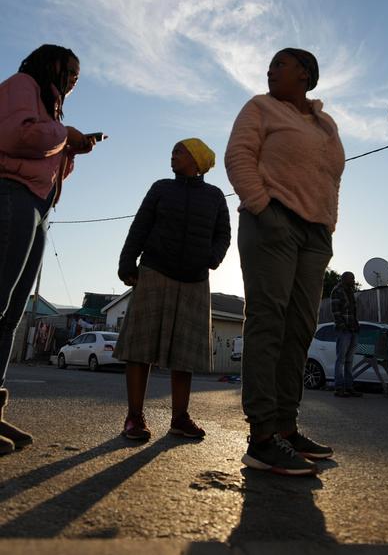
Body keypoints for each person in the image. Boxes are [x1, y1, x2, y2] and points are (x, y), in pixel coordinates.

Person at [225, 48, 345, 476]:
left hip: (314, 234)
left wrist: (328, 226)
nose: (270, 69)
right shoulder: (259, 107)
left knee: (299, 329)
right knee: (268, 320)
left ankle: (286, 428)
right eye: (270, 63)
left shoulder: (325, 124)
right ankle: (261, 437)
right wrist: (262, 207)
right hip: (271, 221)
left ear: (305, 75)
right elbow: (238, 157)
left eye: (280, 63)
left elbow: (331, 177)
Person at [0, 44, 97, 455]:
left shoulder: (50, 108)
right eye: (69, 70)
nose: (74, 78)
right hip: (10, 195)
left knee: (9, 316)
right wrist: (65, 135)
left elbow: (45, 159)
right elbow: (16, 135)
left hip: (37, 207)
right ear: (48, 64)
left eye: (78, 74)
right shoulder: (22, 84)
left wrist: (71, 146)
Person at [114, 138, 230, 441]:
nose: (173, 155)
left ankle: (180, 418)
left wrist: (213, 258)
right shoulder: (161, 188)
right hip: (154, 272)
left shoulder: (215, 196)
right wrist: (128, 263)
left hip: (194, 280)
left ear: (196, 159)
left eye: (180, 151)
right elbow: (139, 226)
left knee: (185, 354)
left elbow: (224, 233)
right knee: (140, 349)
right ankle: (134, 417)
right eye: (173, 151)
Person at [331, 271, 363, 398]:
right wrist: (342, 326)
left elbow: (353, 312)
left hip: (353, 329)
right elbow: (335, 311)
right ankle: (339, 388)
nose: (354, 281)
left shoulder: (350, 291)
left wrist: (356, 325)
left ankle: (349, 387)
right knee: (341, 359)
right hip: (343, 331)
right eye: (352, 278)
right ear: (344, 279)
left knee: (349, 360)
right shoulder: (337, 291)